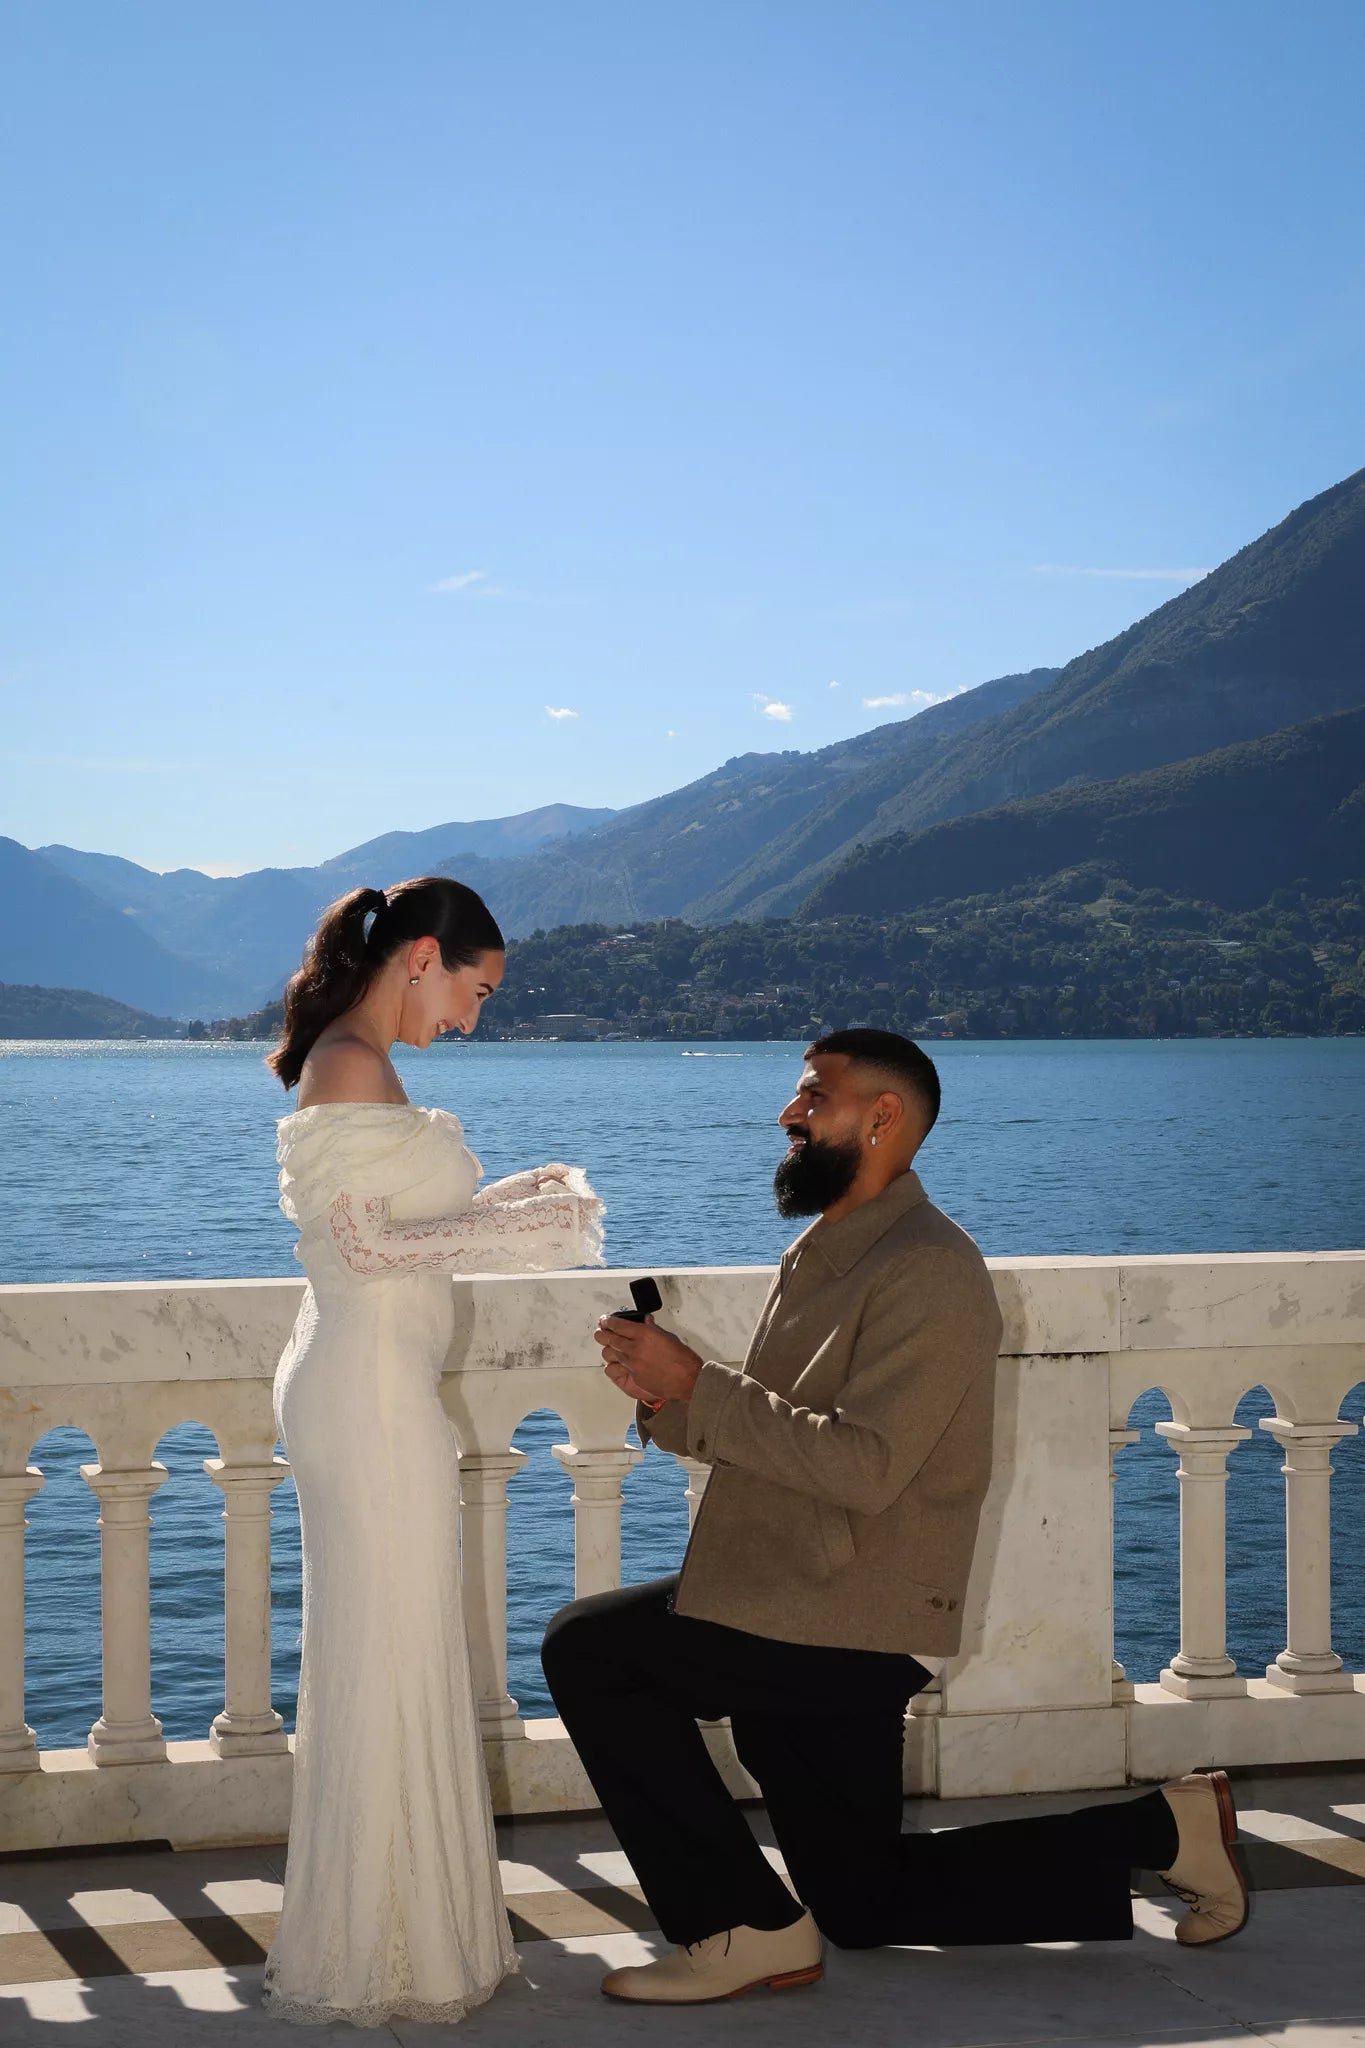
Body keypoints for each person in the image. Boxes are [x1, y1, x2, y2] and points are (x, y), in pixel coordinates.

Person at [542, 1029, 1247, 2006]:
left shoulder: (930, 1271)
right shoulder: (830, 1251)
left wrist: (700, 1384)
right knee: (862, 1902)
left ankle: (738, 1924)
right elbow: (787, 1431)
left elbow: (866, 1465)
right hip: (795, 1585)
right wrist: (673, 1399)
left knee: (592, 1648)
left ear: (883, 1117)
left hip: (840, 1607)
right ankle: (1167, 1831)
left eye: (811, 1095)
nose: (789, 1114)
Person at [262, 876, 604, 2028]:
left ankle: (401, 1928)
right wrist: (527, 1230)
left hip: (368, 1381)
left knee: (394, 1646)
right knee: (392, 1649)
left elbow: (394, 1226)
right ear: (422, 955)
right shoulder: (352, 1061)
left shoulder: (361, 1057)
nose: (472, 1017)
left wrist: (515, 1194)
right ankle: (383, 1949)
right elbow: (365, 1247)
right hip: (363, 1394)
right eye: (475, 989)